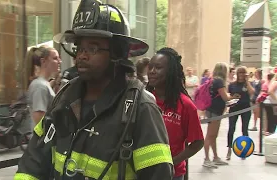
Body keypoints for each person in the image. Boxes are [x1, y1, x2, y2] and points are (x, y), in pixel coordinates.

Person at [15, 0, 174, 179]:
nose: (82, 55)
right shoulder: (63, 100)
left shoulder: (141, 108)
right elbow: (33, 162)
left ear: (117, 53)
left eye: (93, 48)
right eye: (80, 48)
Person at [147, 47, 204, 180]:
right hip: (143, 172)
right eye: (150, 67)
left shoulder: (186, 105)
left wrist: (172, 162)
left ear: (171, 72)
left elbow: (198, 142)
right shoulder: (143, 99)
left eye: (158, 67)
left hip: (172, 174)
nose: (152, 72)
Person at [203, 62, 231, 168]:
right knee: (210, 135)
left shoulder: (213, 80)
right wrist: (233, 97)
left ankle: (215, 157)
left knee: (213, 135)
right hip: (215, 111)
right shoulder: (219, 81)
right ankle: (206, 159)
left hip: (212, 110)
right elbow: (225, 97)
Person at [27, 46, 61, 127]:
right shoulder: (40, 86)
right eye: (55, 58)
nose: (60, 61)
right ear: (44, 61)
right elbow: (39, 120)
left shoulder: (44, 84)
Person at [226, 66, 255, 160]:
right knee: (231, 128)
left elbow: (252, 93)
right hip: (234, 108)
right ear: (237, 74)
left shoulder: (248, 84)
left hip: (245, 108)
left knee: (245, 129)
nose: (241, 75)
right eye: (240, 73)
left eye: (243, 73)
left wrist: (247, 81)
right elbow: (228, 96)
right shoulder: (232, 84)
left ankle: (245, 150)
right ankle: (229, 149)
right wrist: (233, 97)